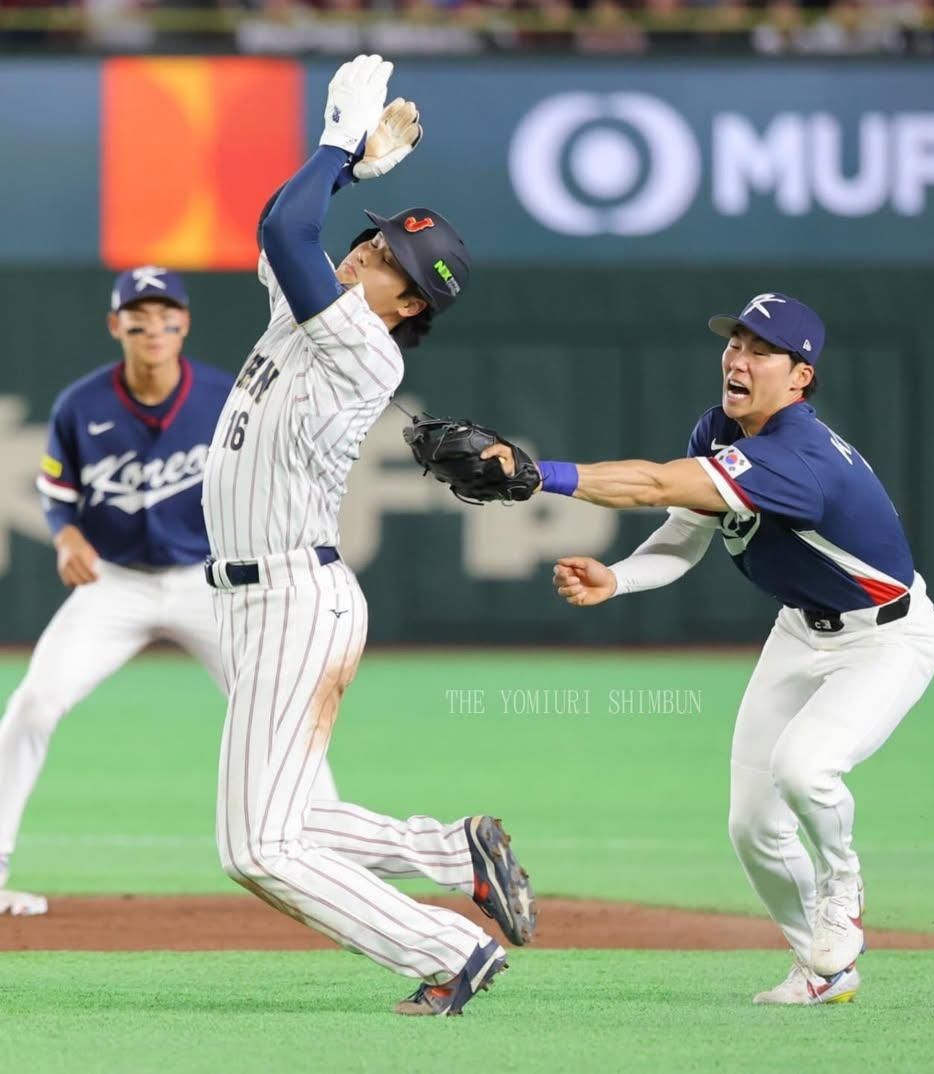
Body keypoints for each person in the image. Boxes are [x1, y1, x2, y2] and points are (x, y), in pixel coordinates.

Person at [485, 291, 934, 1006]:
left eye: (762, 350)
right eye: (735, 343)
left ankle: (843, 884)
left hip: (886, 639)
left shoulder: (797, 459)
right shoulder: (721, 429)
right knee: (753, 826)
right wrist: (618, 578)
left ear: (801, 377)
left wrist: (540, 474)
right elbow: (686, 526)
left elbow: (654, 482)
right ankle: (823, 972)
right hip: (802, 629)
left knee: (805, 766)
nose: (739, 357)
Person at [200, 54, 535, 1018]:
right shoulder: (312, 312)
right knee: (292, 818)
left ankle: (446, 948)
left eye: (392, 265)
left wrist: (339, 142)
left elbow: (282, 226)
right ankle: (451, 850)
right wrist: (344, 173)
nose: (367, 256)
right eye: (377, 242)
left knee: (256, 846)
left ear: (411, 306)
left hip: (294, 600)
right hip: (263, 599)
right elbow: (286, 230)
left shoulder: (362, 348)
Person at [0, 267, 260, 915]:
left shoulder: (224, 398)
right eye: (137, 314)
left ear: (185, 324)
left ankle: (325, 857)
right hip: (114, 583)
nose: (153, 325)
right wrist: (66, 538)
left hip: (206, 582)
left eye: (166, 312)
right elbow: (58, 494)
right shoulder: (80, 405)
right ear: (115, 325)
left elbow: (261, 485)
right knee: (32, 707)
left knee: (273, 709)